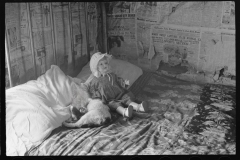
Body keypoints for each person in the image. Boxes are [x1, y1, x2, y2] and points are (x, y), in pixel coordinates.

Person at [85, 52, 148, 118]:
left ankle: (139, 107)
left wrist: (124, 83)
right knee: (114, 104)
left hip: (119, 94)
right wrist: (96, 99)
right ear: (96, 68)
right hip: (108, 99)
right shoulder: (95, 79)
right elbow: (92, 90)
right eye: (101, 64)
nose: (104, 65)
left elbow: (119, 82)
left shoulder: (112, 75)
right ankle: (124, 112)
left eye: (106, 63)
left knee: (126, 97)